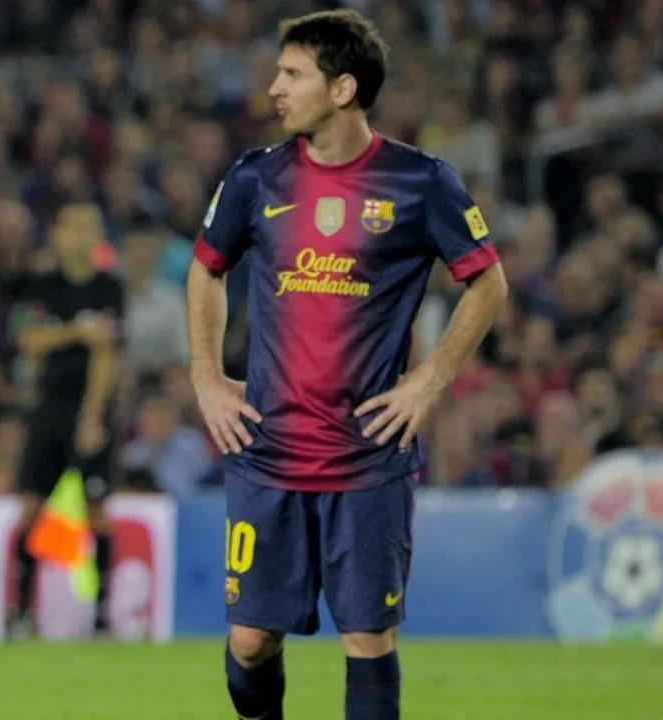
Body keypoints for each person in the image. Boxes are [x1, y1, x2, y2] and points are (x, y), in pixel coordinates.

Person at [186, 10, 508, 720]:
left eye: (292, 73)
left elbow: (488, 282)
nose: (274, 88)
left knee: (367, 638)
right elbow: (205, 269)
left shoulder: (421, 182)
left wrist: (428, 382)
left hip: (367, 455)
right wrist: (206, 378)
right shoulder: (255, 178)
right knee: (250, 641)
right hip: (268, 449)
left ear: (342, 89)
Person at [10, 204, 122, 639]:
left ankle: (101, 616)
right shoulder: (42, 286)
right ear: (58, 233)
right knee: (31, 509)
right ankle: (21, 613)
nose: (83, 235)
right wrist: (77, 331)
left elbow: (107, 354)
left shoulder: (109, 288)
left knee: (97, 513)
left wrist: (93, 417)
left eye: (91, 227)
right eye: (75, 227)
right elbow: (29, 340)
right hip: (48, 412)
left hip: (89, 411)